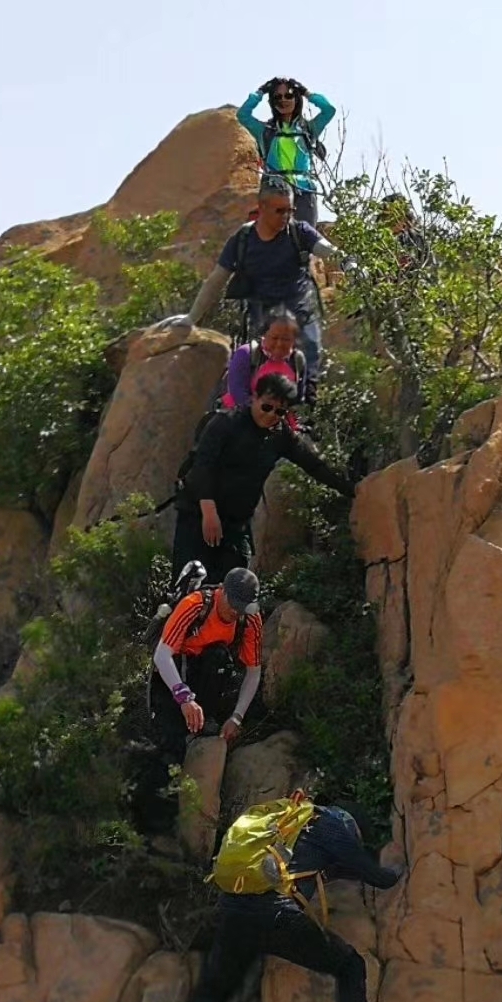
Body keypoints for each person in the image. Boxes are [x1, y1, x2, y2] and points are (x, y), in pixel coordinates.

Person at [163, 805, 411, 1002]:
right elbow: (375, 876)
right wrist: (401, 869)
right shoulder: (332, 828)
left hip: (234, 916)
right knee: (350, 965)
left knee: (213, 989)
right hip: (277, 918)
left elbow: (330, 869)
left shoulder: (289, 827)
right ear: (351, 827)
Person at [172, 372, 352, 578]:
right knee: (188, 587)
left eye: (280, 411)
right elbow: (203, 466)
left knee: (230, 592)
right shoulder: (225, 423)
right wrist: (209, 513)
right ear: (254, 398)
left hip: (235, 524)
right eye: (267, 406)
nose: (271, 415)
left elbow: (314, 466)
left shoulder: (280, 435)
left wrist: (351, 489)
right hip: (199, 515)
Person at [158, 176, 337, 375]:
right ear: (262, 207)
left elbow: (323, 247)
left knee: (310, 362)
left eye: (290, 210)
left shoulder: (298, 231)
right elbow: (216, 280)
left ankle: (309, 398)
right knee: (257, 372)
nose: (286, 216)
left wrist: (345, 261)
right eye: (280, 210)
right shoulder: (242, 240)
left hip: (300, 315)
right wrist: (192, 318)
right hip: (262, 318)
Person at [150, 564, 263, 761]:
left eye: (242, 608)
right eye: (233, 604)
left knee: (218, 656)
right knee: (168, 747)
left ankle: (204, 722)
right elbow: (162, 655)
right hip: (176, 673)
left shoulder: (250, 619)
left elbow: (253, 672)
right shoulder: (195, 605)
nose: (236, 612)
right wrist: (184, 698)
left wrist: (237, 717)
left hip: (211, 675)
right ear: (223, 590)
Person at [237, 79, 336, 227]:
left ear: (296, 98)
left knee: (305, 240)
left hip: (304, 191)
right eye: (277, 97)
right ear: (272, 102)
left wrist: (306, 92)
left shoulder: (308, 129)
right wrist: (261, 91)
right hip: (275, 190)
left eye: (289, 95)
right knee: (275, 242)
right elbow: (243, 115)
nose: (283, 100)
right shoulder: (265, 131)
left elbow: (329, 110)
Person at [222, 309, 315, 417]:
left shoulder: (297, 360)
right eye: (274, 338)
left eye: (286, 339)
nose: (279, 344)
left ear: (294, 340)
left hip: (277, 418)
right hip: (239, 417)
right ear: (264, 335)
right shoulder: (246, 354)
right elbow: (237, 392)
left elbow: (297, 398)